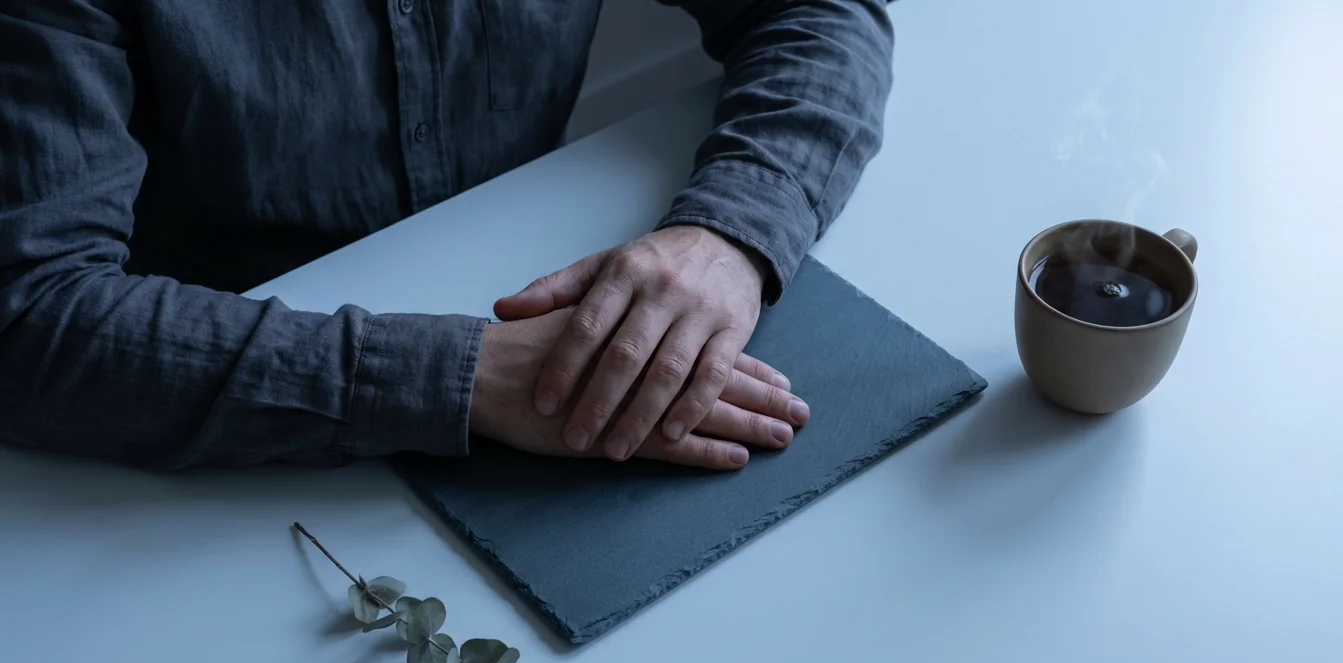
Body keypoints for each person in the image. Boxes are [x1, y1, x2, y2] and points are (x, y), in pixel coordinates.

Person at [0, 0, 893, 471]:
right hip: (209, 412)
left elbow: (818, 7)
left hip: (549, 302)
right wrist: (468, 376)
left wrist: (727, 233)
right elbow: (29, 316)